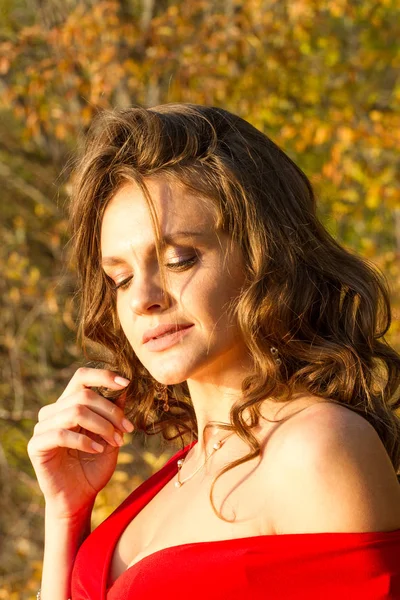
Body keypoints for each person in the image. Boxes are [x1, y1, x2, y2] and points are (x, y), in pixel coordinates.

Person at [28, 103, 400, 600]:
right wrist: (65, 515)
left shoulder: (317, 449)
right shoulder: (176, 473)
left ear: (264, 256)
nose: (143, 299)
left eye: (178, 259)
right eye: (120, 278)